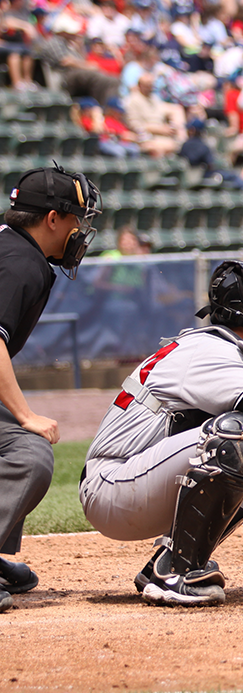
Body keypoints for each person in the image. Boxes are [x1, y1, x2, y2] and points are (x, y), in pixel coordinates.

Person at [79, 261, 243, 606]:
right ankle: (176, 572)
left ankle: (169, 560)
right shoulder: (212, 351)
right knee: (235, 437)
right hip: (112, 486)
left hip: (134, 481)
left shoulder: (213, 348)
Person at [0, 164, 102, 612]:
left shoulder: (10, 246)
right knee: (28, 452)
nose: (80, 230)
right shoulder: (22, 262)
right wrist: (25, 414)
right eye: (77, 218)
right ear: (53, 219)